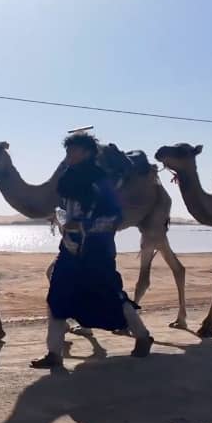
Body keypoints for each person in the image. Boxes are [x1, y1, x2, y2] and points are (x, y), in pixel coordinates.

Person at [31, 132, 153, 368]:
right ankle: (54, 353)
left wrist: (82, 225)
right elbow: (65, 209)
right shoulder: (68, 179)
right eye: (67, 151)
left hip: (97, 250)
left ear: (86, 153)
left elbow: (114, 217)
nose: (68, 155)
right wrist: (61, 219)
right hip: (69, 248)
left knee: (111, 296)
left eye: (72, 151)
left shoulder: (100, 182)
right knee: (57, 296)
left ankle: (142, 335)